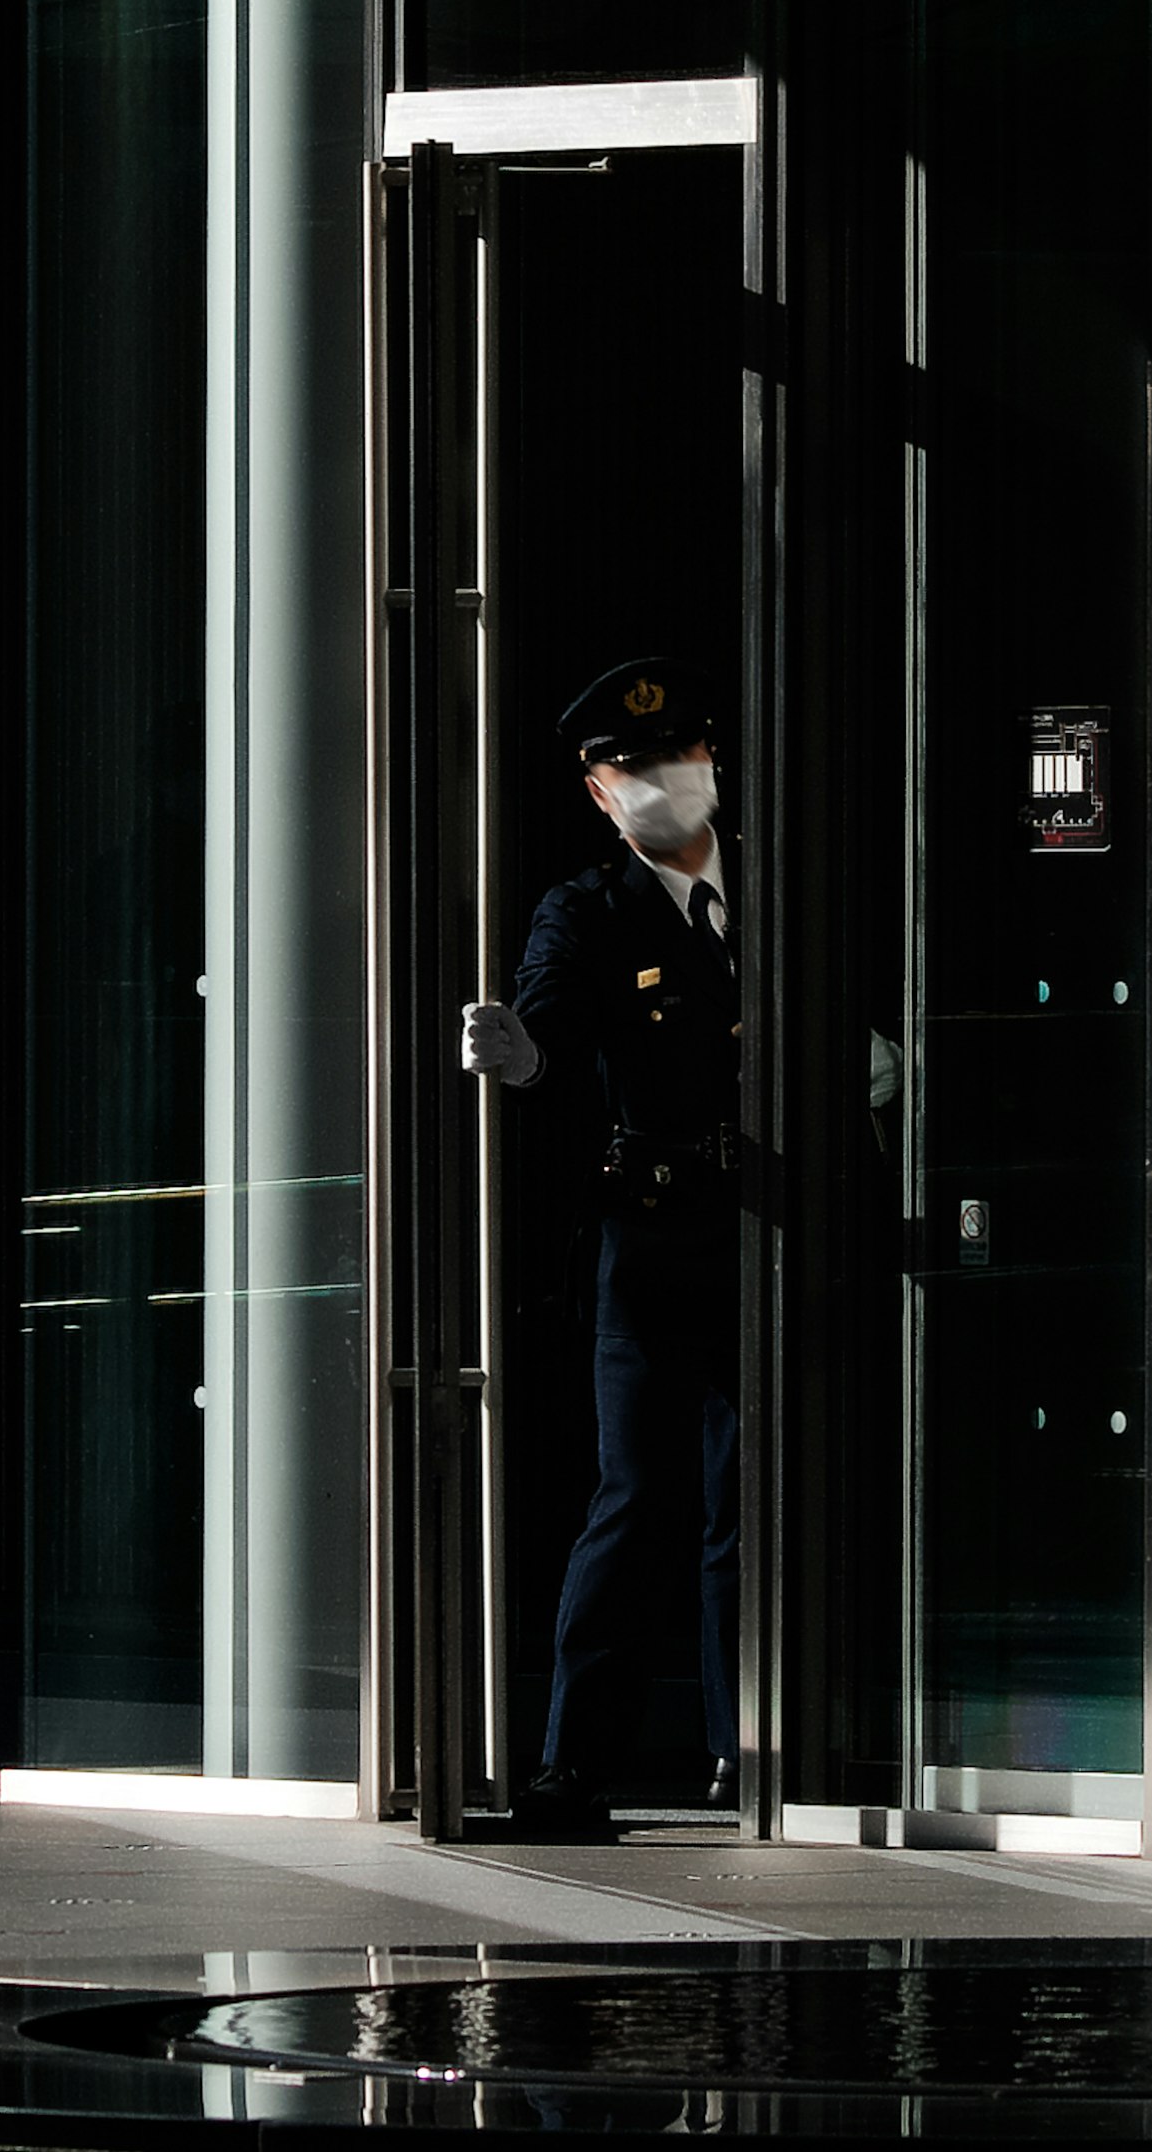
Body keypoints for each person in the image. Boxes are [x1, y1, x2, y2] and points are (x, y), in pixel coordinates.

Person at [460, 654, 743, 1832]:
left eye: (676, 755)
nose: (660, 782)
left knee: (756, 1502)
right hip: (658, 1236)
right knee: (639, 1497)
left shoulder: (788, 887)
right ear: (597, 794)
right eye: (632, 768)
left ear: (712, 759)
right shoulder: (589, 910)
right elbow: (556, 1020)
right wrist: (526, 1061)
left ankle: (754, 1750)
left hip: (774, 1234)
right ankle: (576, 1763)